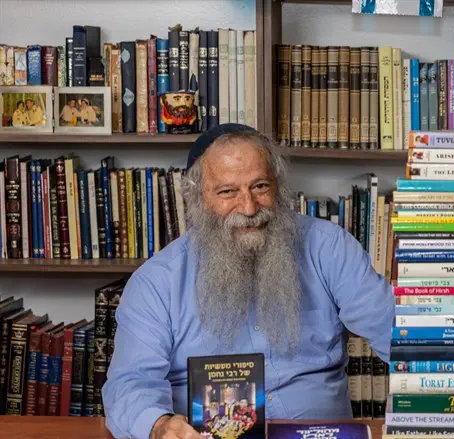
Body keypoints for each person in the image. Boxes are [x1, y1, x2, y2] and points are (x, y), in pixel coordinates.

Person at [102, 124, 394, 439]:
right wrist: (159, 425)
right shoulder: (156, 282)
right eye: (228, 191)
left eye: (259, 186)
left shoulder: (329, 248)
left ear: (278, 187)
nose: (249, 207)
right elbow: (129, 384)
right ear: (196, 197)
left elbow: (400, 335)